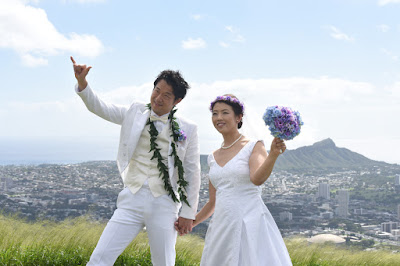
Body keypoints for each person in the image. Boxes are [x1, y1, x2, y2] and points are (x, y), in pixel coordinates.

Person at [70, 57, 201, 266]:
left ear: (177, 101)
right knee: (99, 259)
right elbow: (101, 107)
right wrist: (83, 83)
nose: (158, 98)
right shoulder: (134, 111)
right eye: (156, 90)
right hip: (131, 198)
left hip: (165, 204)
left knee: (164, 263)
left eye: (166, 95)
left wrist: (188, 213)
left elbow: (192, 173)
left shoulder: (189, 128)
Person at [177, 94, 292, 265]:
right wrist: (192, 222)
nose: (218, 118)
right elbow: (213, 202)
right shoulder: (212, 157)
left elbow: (257, 179)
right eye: (214, 113)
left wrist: (273, 154)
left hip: (250, 221)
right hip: (222, 225)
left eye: (225, 113)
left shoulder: (254, 145)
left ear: (239, 118)